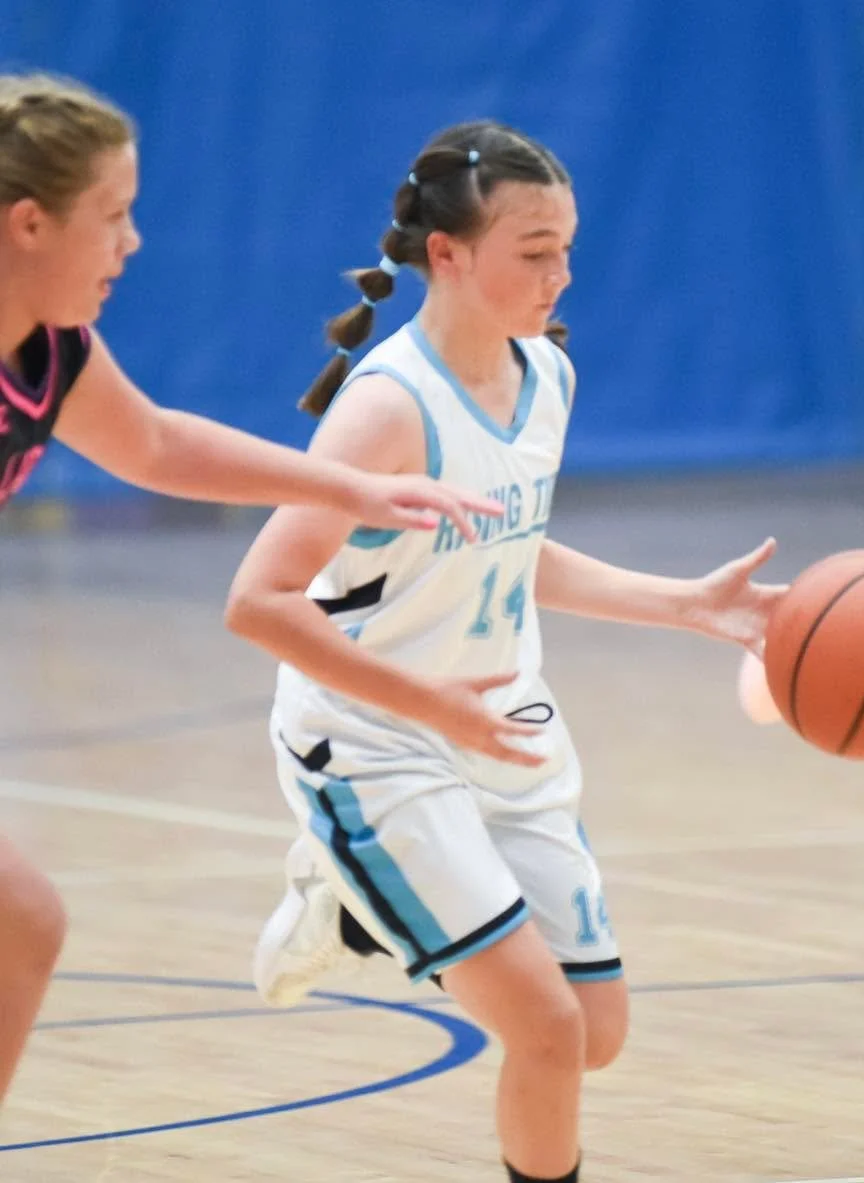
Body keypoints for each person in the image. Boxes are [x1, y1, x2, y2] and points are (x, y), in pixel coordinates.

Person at [224, 120, 785, 1182]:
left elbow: (509, 550)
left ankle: (354, 918)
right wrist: (429, 709)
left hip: (503, 731)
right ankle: (354, 878)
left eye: (567, 247)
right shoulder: (384, 410)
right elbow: (257, 601)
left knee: (593, 1028)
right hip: (373, 743)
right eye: (533, 251)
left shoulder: (546, 377)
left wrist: (689, 605)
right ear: (447, 253)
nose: (559, 274)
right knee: (541, 1028)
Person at [0, 72, 499, 1106]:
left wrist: (352, 482)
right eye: (114, 215)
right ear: (30, 224)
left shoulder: (47, 352)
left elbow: (154, 443)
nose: (131, 242)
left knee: (23, 926)